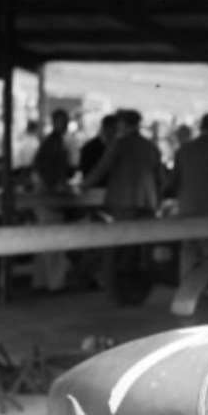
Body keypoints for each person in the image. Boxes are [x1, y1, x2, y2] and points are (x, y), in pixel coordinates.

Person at [83, 108, 167, 303]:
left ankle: (115, 289)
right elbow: (162, 179)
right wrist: (157, 198)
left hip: (123, 202)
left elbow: (102, 169)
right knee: (144, 248)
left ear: (123, 124)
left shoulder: (119, 144)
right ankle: (141, 287)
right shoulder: (150, 146)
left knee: (118, 245)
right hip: (148, 202)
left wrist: (83, 186)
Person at [172, 112, 208, 279]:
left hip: (186, 209)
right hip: (207, 209)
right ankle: (206, 288)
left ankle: (186, 288)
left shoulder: (183, 149)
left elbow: (174, 181)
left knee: (188, 252)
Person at [30, 109, 73, 293]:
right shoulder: (53, 143)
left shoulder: (53, 142)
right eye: (63, 121)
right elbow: (46, 170)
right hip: (48, 195)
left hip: (46, 193)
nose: (66, 125)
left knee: (44, 239)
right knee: (54, 238)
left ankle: (41, 280)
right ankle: (55, 282)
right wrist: (56, 187)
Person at [79, 113, 119, 180]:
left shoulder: (115, 145)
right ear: (107, 127)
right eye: (114, 128)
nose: (116, 131)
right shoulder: (90, 148)